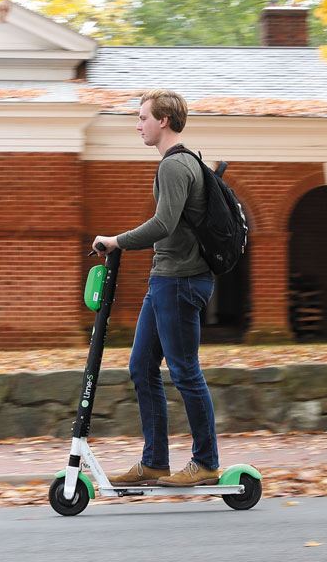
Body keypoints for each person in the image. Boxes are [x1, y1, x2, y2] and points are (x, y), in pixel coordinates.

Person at [92, 89, 220, 487]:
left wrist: (116, 240)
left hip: (180, 281)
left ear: (163, 120)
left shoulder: (174, 165)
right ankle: (154, 462)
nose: (138, 124)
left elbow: (162, 224)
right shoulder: (184, 163)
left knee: (184, 371)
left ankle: (206, 462)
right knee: (141, 367)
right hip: (166, 279)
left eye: (143, 117)